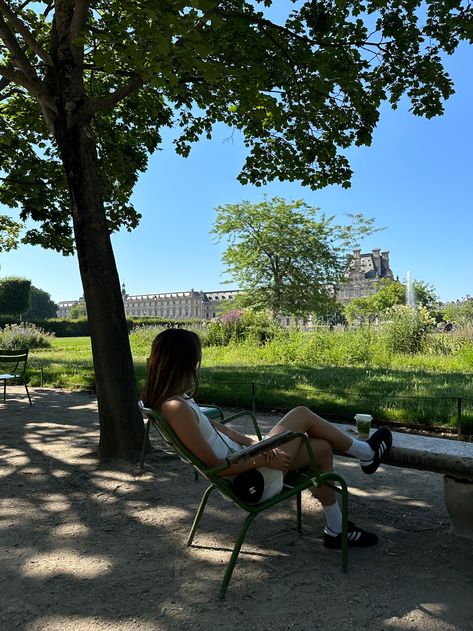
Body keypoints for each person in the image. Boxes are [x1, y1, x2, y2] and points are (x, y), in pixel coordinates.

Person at [142, 328, 393, 549]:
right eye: (196, 357)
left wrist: (249, 442)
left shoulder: (174, 400)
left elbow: (211, 426)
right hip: (249, 478)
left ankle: (337, 530)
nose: (198, 362)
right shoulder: (176, 406)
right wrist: (261, 459)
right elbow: (214, 465)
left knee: (322, 449)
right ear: (184, 361)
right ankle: (366, 454)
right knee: (302, 414)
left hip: (246, 460)